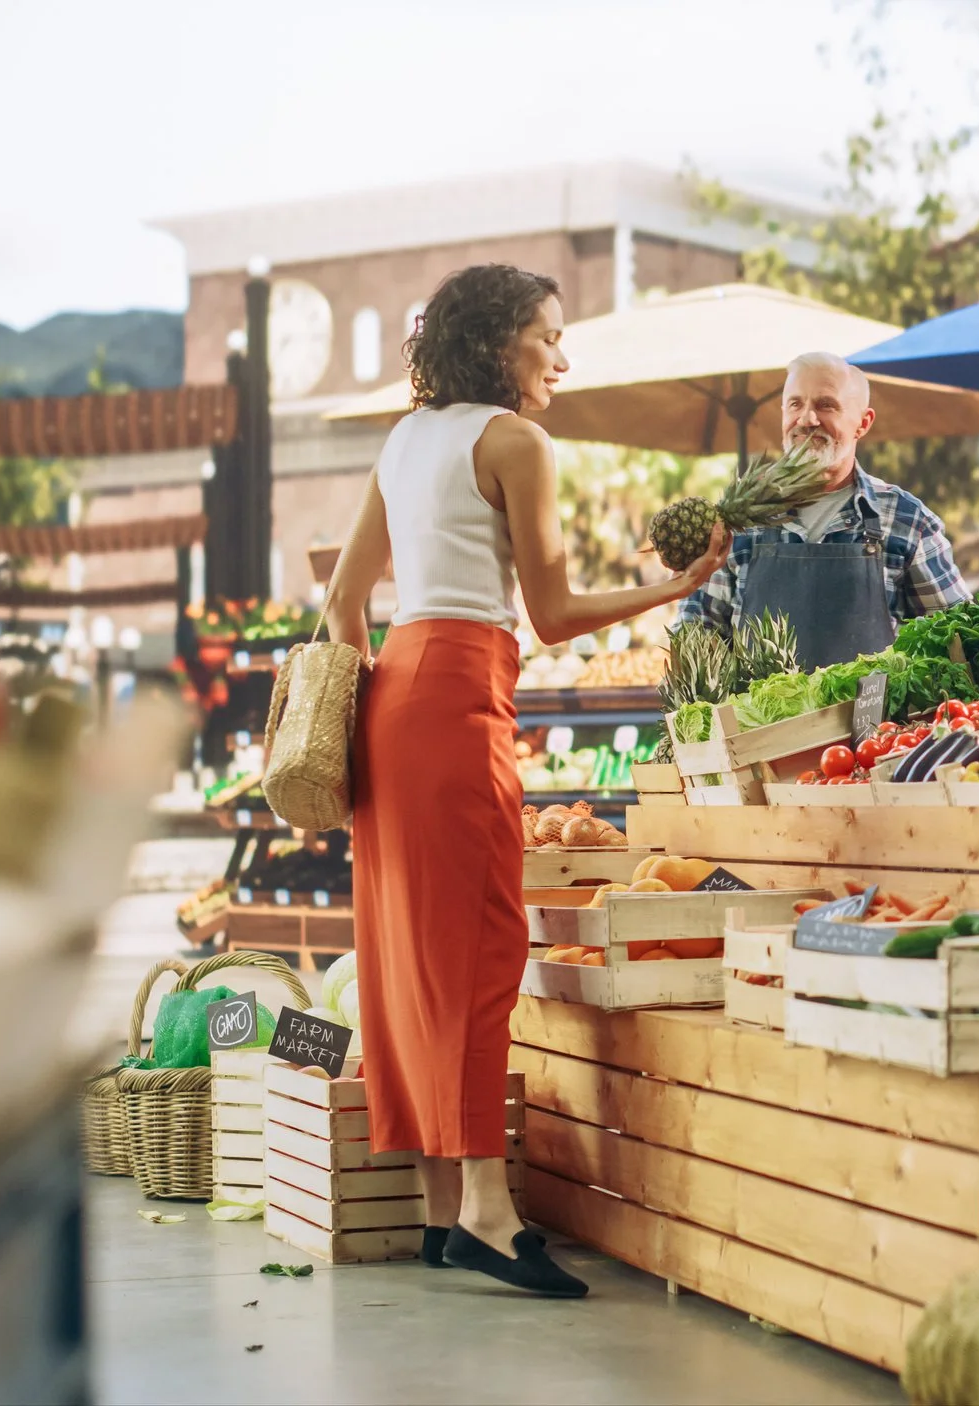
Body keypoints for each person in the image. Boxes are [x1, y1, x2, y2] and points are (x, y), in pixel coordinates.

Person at [322, 264, 727, 1296]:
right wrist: (672, 586)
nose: (561, 354)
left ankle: (438, 1210)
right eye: (549, 334)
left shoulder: (407, 438)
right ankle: (495, 1217)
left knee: (407, 951)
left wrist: (380, 686)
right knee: (483, 942)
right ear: (501, 340)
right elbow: (548, 613)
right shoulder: (514, 441)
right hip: (457, 689)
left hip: (396, 693)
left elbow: (342, 601)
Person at [678, 351, 971, 668]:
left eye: (825, 405)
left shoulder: (907, 521)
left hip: (874, 718)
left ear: (863, 423)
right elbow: (695, 644)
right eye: (795, 404)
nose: (806, 419)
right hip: (762, 718)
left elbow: (957, 641)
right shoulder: (737, 524)